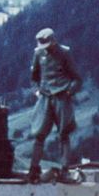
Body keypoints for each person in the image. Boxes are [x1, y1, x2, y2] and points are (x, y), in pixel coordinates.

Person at [27, 28, 82, 183]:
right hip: (45, 97)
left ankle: (64, 170)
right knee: (39, 134)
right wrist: (37, 91)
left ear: (53, 41)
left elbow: (76, 77)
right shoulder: (38, 53)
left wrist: (69, 92)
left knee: (64, 134)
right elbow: (34, 77)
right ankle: (33, 169)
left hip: (61, 97)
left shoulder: (65, 53)